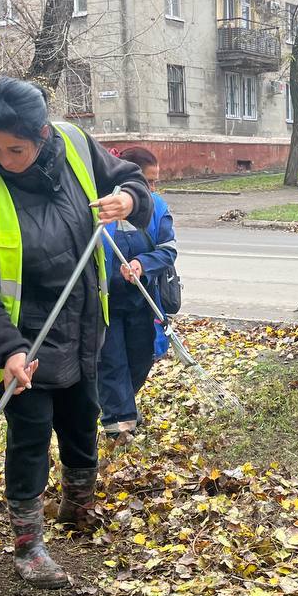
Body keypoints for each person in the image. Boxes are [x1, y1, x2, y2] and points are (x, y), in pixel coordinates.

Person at [0, 77, 151, 589]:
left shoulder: (75, 144)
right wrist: (7, 349)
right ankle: (28, 544)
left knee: (84, 419)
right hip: (22, 342)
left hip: (83, 321)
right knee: (31, 435)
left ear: (42, 136)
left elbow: (130, 177)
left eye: (15, 148)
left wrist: (127, 199)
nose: (3, 157)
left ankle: (78, 507)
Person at [98, 146, 177, 439]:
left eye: (156, 181)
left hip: (142, 301)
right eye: (148, 181)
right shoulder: (100, 207)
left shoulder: (156, 206)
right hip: (105, 302)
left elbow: (168, 249)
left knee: (141, 358)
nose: (152, 188)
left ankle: (120, 404)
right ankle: (118, 423)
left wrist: (142, 264)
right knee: (112, 359)